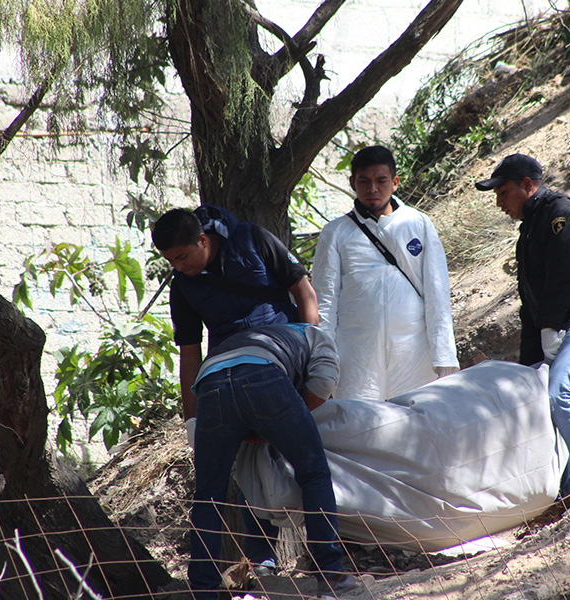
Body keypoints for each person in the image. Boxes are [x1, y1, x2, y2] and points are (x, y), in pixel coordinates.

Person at [476, 153, 570, 508]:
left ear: (528, 185)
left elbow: (564, 275)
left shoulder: (561, 214)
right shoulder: (530, 228)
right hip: (564, 323)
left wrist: (550, 327)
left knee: (559, 393)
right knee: (568, 406)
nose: (499, 202)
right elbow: (531, 301)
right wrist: (530, 364)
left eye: (504, 192)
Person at [184, 323, 355, 598]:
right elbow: (323, 383)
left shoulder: (253, 337)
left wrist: (256, 426)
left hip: (210, 383)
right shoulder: (319, 336)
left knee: (208, 496)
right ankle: (331, 573)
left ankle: (203, 590)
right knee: (314, 473)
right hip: (263, 375)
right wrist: (285, 419)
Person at [151, 204, 318, 438]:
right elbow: (189, 354)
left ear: (202, 240)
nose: (178, 267)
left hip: (286, 360)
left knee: (307, 443)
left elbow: (304, 291)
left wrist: (313, 353)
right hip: (233, 379)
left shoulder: (252, 238)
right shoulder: (181, 286)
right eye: (170, 261)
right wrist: (192, 421)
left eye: (182, 257)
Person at [311, 145, 459, 402]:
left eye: (381, 181)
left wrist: (444, 356)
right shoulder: (335, 233)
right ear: (352, 183)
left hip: (413, 351)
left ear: (395, 182)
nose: (372, 189)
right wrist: (323, 359)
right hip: (355, 355)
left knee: (414, 422)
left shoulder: (418, 223)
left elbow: (437, 293)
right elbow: (325, 300)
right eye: (364, 181)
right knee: (359, 428)